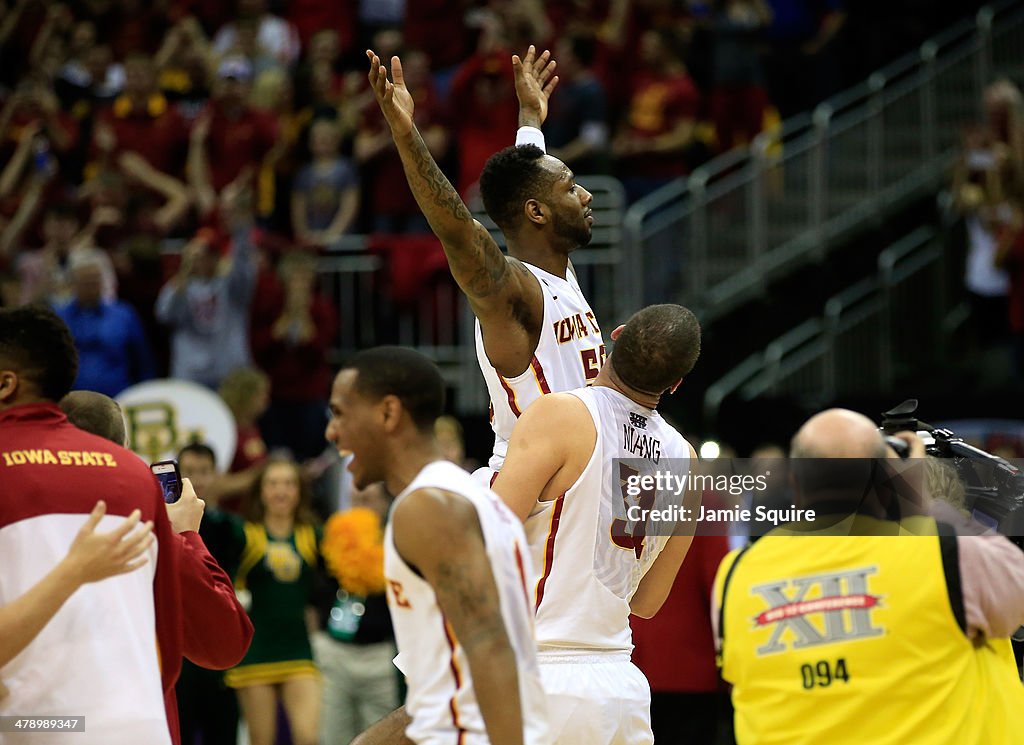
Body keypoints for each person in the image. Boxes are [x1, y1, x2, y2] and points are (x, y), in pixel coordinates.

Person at [713, 409, 1024, 745]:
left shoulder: (737, 574)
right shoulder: (944, 553)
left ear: (795, 482)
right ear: (883, 481)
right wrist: (920, 502)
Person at [366, 45, 605, 476]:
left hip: (577, 481)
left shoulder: (558, 271)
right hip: (534, 497)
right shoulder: (515, 292)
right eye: (572, 189)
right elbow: (457, 231)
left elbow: (525, 181)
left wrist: (530, 119)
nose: (586, 196)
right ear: (537, 213)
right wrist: (407, 134)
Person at [0, 306, 218, 744]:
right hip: (136, 723)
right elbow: (187, 647)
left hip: (33, 727)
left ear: (6, 383)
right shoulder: (134, 474)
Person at [491, 304, 702, 745]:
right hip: (619, 685)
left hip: (538, 671)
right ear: (675, 384)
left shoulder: (561, 415)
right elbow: (646, 602)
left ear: (615, 336)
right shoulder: (688, 461)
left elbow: (486, 538)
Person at [326, 347, 551, 745]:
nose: (332, 432)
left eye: (341, 413)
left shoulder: (428, 508)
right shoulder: (465, 495)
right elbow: (455, 681)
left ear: (388, 413)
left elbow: (491, 649)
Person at [56, 390, 255, 745]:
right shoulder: (143, 530)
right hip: (128, 726)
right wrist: (184, 534)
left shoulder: (19, 517)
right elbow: (225, 644)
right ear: (125, 450)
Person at [223, 457, 323, 745]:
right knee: (261, 741)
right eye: (273, 484)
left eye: (289, 484)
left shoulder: (313, 536)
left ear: (300, 491)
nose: (281, 491)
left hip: (299, 651)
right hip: (255, 653)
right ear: (261, 492)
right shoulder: (243, 534)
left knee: (308, 738)